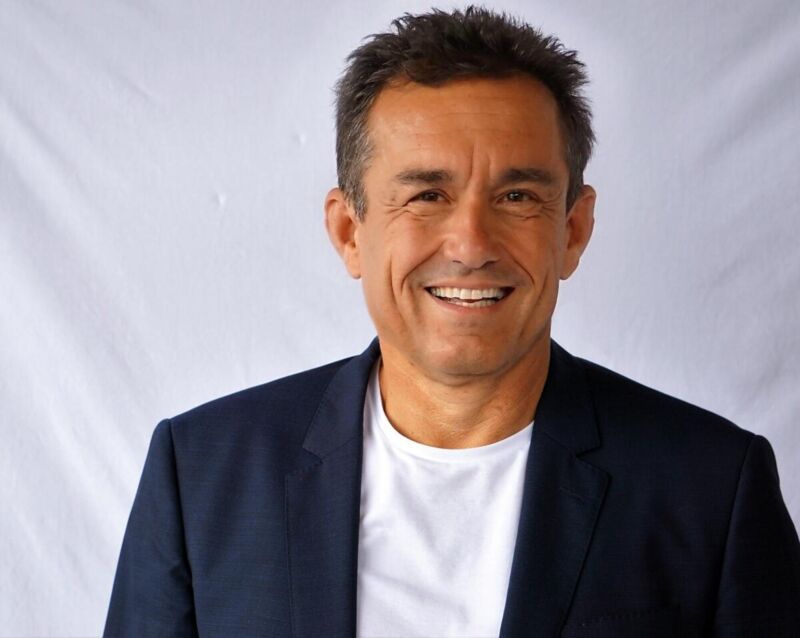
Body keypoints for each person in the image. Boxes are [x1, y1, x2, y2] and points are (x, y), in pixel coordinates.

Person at [104, 6, 800, 637]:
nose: (470, 245)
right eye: (427, 195)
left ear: (573, 230)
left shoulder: (713, 488)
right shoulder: (201, 473)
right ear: (349, 232)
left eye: (517, 196)